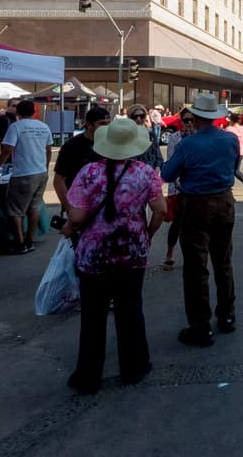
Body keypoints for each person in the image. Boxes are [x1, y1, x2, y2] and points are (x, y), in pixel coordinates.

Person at [60, 116, 168, 395]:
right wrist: (149, 234)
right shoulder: (145, 173)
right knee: (130, 310)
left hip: (93, 255)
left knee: (93, 317)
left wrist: (69, 228)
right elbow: (160, 211)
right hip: (132, 252)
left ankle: (88, 375)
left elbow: (78, 215)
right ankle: (135, 367)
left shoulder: (88, 173)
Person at [160, 92, 240, 347]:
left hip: (196, 204)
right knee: (223, 259)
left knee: (196, 267)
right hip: (224, 200)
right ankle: (227, 315)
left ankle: (200, 325)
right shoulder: (229, 140)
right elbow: (234, 165)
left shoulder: (188, 144)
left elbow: (168, 174)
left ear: (194, 118)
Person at [0, 99, 52, 254]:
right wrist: (44, 167)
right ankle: (30, 240)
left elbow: (7, 150)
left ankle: (19, 243)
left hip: (23, 174)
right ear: (34, 111)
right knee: (34, 207)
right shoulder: (43, 126)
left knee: (15, 210)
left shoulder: (16, 127)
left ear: (17, 112)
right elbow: (48, 149)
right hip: (40, 172)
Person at [53, 106, 113, 221]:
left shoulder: (112, 143)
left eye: (108, 123)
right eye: (102, 123)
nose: (106, 127)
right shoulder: (72, 146)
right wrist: (70, 209)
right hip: (79, 208)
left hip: (106, 210)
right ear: (89, 125)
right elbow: (58, 181)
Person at [161, 108, 196, 271]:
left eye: (191, 120)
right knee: (177, 222)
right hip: (178, 186)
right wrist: (176, 181)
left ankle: (193, 254)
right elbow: (171, 161)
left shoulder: (198, 136)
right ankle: (169, 253)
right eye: (185, 120)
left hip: (196, 187)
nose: (189, 123)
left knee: (195, 223)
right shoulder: (175, 137)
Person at [126, 104, 165, 174]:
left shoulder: (151, 133)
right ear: (129, 118)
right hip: (132, 175)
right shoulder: (126, 134)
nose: (138, 119)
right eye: (135, 116)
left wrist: (158, 166)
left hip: (150, 173)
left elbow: (158, 153)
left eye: (141, 116)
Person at [224, 111, 243, 195]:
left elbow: (225, 141)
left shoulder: (228, 129)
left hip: (231, 151)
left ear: (231, 120)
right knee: (235, 170)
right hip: (240, 151)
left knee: (230, 169)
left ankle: (230, 185)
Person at [0, 98, 19, 163]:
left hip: (15, 159)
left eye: (19, 106)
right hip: (6, 160)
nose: (17, 108)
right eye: (14, 106)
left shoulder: (17, 120)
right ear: (8, 107)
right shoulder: (3, 119)